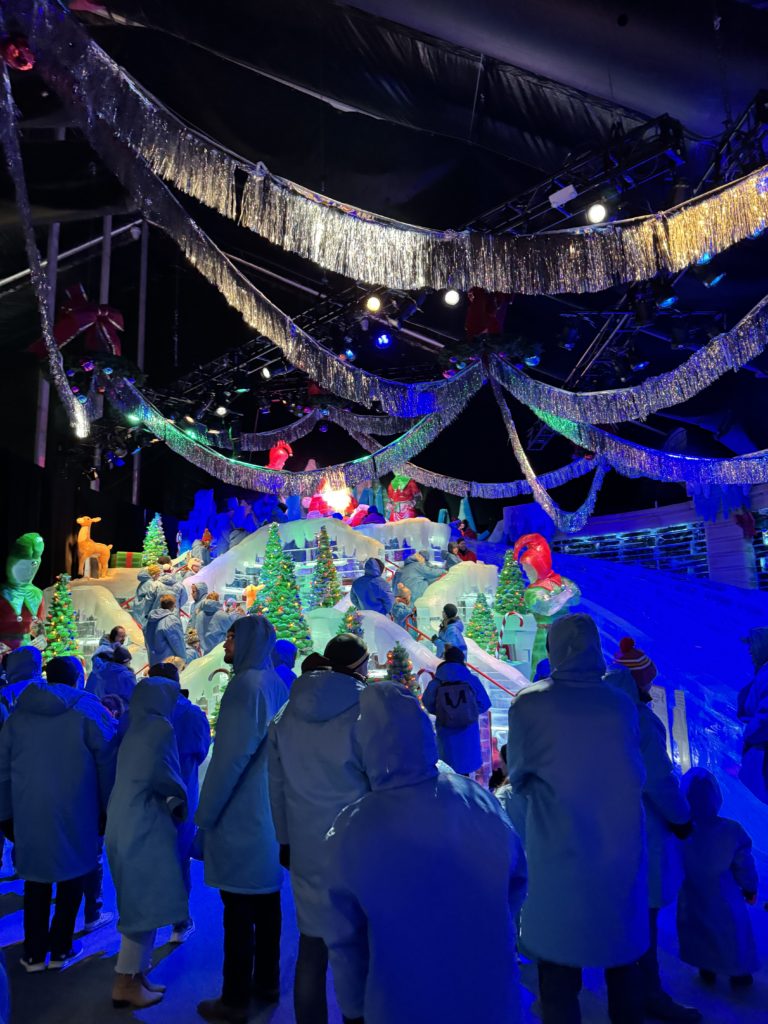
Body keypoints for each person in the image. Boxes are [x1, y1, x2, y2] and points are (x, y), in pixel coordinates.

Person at [324, 683, 527, 1024]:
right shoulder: (477, 800)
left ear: (365, 746)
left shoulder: (353, 827)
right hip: (489, 994)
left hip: (402, 1001)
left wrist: (354, 1007)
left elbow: (345, 938)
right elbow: (517, 880)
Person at [507, 613, 648, 1024]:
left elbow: (519, 776)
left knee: (558, 974)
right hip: (619, 848)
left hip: (560, 851)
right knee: (623, 965)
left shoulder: (531, 703)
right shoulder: (619, 703)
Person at [268, 633, 371, 1024]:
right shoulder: (365, 709)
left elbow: (275, 785)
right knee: (360, 944)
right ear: (359, 665)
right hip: (359, 845)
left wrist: (284, 839)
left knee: (312, 944)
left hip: (307, 846)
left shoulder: (286, 715)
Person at [196, 616, 289, 1024]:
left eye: (233, 636)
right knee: (267, 905)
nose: (226, 643)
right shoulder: (274, 683)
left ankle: (234, 998)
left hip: (241, 814)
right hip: (267, 812)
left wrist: (206, 816)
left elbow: (229, 759)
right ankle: (266, 983)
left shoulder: (246, 687)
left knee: (237, 912)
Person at [0, 661, 117, 972]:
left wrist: (5, 813)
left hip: (29, 808)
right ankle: (62, 947)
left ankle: (33, 953)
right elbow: (107, 762)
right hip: (77, 808)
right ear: (79, 679)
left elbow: (2, 771)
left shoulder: (19, 716)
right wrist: (108, 808)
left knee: (36, 881)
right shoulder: (88, 711)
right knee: (72, 876)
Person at [606, 666, 700, 1022]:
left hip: (606, 835)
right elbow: (659, 779)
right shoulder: (639, 721)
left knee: (626, 920)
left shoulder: (598, 718)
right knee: (642, 921)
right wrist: (682, 819)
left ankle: (630, 1000)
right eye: (647, 680)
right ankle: (649, 996)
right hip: (642, 834)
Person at [106, 678, 189, 1009]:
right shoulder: (159, 729)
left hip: (124, 821)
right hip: (143, 825)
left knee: (140, 901)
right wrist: (182, 802)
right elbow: (165, 774)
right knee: (143, 906)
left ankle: (138, 976)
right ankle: (124, 983)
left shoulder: (135, 727)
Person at [676, 768, 759, 989]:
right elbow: (744, 865)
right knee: (732, 935)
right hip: (726, 898)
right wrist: (750, 888)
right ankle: (739, 973)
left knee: (699, 931)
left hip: (692, 896)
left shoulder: (680, 834)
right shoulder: (731, 831)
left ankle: (706, 966)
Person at [147, 662, 211, 944]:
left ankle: (147, 922)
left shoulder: (140, 715)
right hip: (183, 793)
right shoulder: (191, 713)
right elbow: (201, 751)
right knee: (179, 856)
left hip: (146, 796)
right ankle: (179, 922)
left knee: (145, 856)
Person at [422, 648, 490, 775]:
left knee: (449, 772)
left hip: (446, 733)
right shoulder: (471, 679)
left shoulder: (437, 681)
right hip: (468, 732)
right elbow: (485, 703)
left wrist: (443, 712)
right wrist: (470, 712)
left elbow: (427, 702)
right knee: (466, 773)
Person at [737, 626, 768, 804]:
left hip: (762, 756)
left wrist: (749, 733)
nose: (749, 650)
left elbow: (765, 721)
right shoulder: (763, 673)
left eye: (752, 644)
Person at [145, 594, 186, 666]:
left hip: (153, 662)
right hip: (168, 663)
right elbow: (177, 643)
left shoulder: (150, 620)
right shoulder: (171, 620)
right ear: (173, 605)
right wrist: (183, 660)